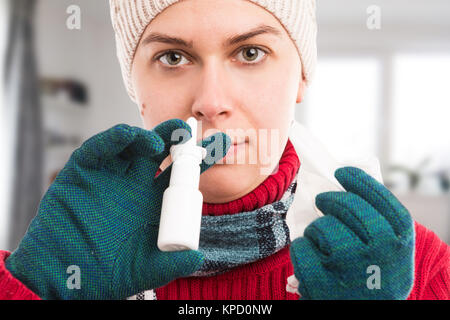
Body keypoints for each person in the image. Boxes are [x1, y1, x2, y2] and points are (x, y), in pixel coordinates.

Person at [0, 0, 449, 300]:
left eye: (250, 53)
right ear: (135, 87)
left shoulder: (416, 268)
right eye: (173, 58)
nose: (211, 102)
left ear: (302, 79)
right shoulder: (61, 257)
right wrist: (33, 291)